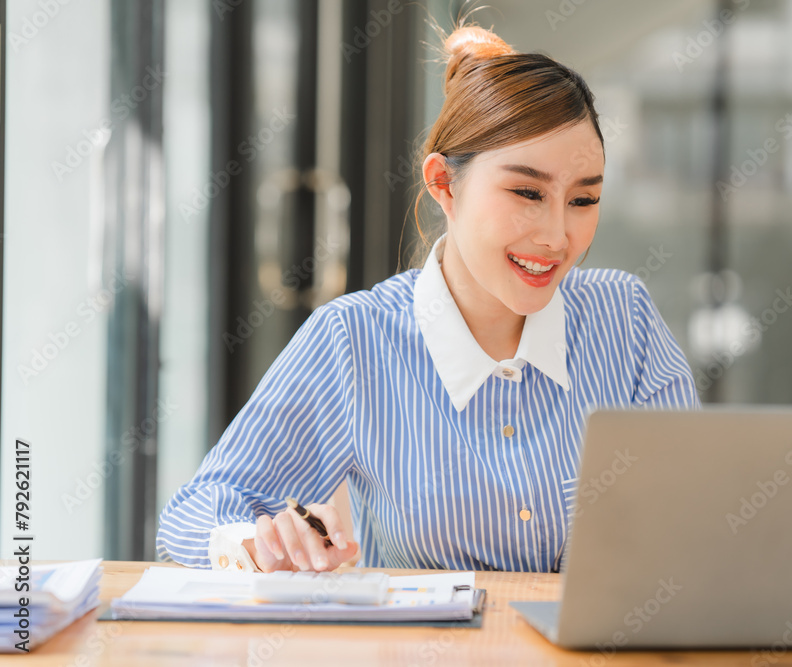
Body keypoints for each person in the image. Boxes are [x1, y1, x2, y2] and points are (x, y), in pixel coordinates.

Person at [156, 23, 700, 575]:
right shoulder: (354, 339)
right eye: (527, 192)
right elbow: (195, 514)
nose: (558, 237)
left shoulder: (624, 318)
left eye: (583, 200)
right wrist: (262, 544)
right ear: (444, 183)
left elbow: (694, 514)